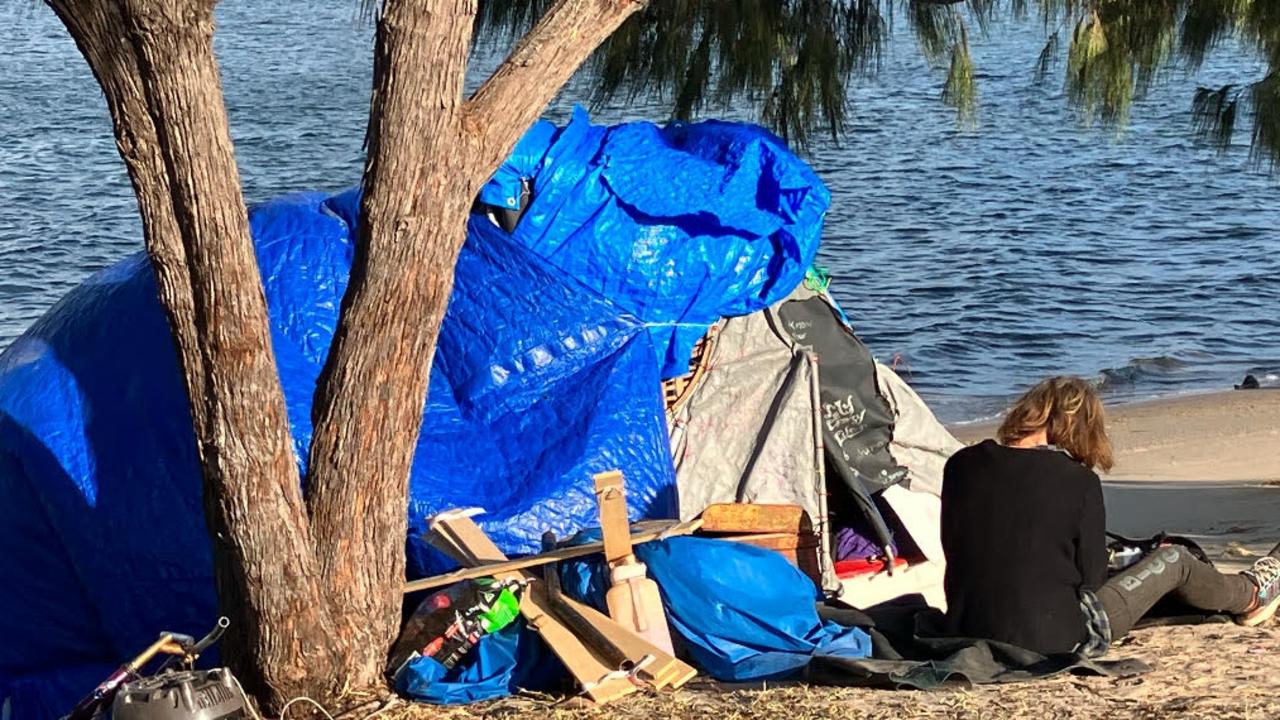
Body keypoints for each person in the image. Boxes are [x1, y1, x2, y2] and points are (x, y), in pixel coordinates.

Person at [940, 376, 1280, 657]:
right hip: (1052, 639)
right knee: (1174, 559)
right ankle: (1251, 593)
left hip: (965, 628)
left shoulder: (960, 464)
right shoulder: (1077, 480)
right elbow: (1091, 579)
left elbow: (956, 547)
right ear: (1076, 424)